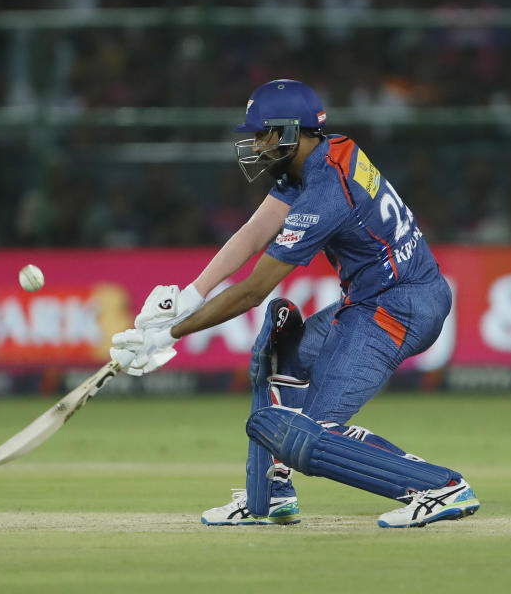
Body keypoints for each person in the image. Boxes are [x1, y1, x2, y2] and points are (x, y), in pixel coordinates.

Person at [109, 79, 479, 528]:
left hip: (396, 307)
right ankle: (270, 497)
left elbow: (252, 290)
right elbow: (254, 231)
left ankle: (439, 487)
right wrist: (188, 297)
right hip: (377, 297)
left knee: (311, 436)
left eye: (264, 133)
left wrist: (169, 336)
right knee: (278, 356)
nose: (256, 143)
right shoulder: (326, 152)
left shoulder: (326, 193)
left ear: (292, 131)